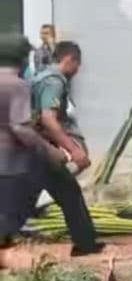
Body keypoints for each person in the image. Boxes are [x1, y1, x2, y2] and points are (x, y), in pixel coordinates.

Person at [30, 40, 103, 256]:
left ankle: (86, 244)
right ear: (69, 60)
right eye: (77, 64)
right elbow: (49, 120)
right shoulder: (54, 81)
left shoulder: (40, 76)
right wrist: (74, 150)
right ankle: (86, 244)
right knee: (68, 191)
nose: (78, 70)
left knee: (60, 191)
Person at [0, 34, 68, 251]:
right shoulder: (17, 85)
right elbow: (19, 126)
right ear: (20, 58)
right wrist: (47, 149)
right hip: (11, 163)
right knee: (11, 215)